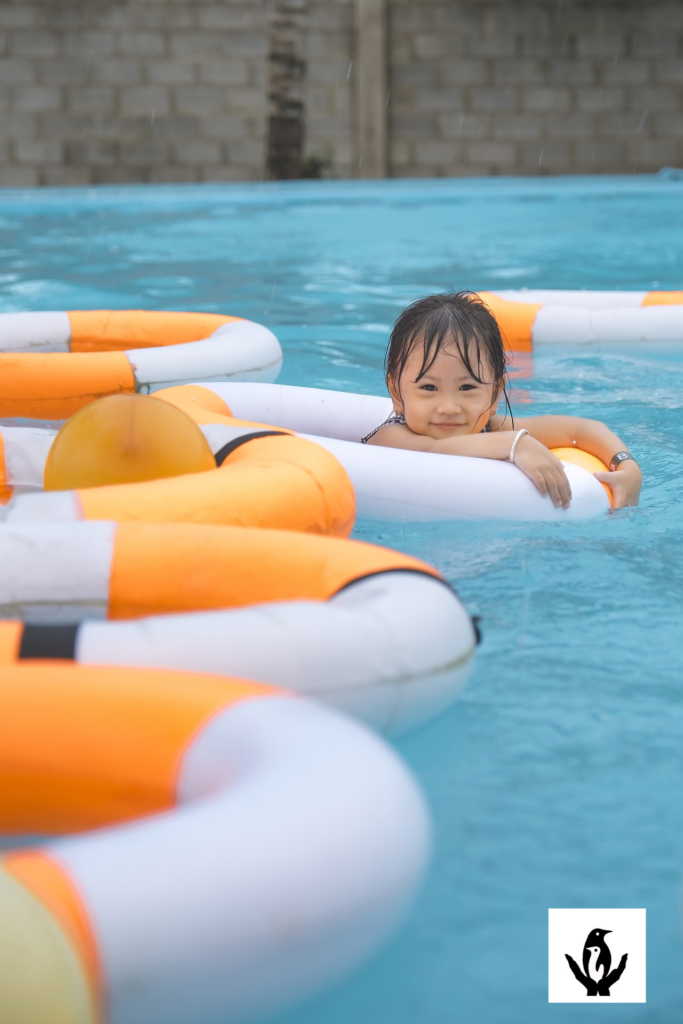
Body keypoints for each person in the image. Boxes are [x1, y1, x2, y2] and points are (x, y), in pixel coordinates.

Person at [363, 291, 642, 509]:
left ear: (495, 393)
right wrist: (512, 444)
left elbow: (580, 430)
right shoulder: (390, 438)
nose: (449, 407)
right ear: (397, 393)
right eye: (428, 387)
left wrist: (626, 465)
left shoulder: (492, 427)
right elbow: (434, 451)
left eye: (467, 387)